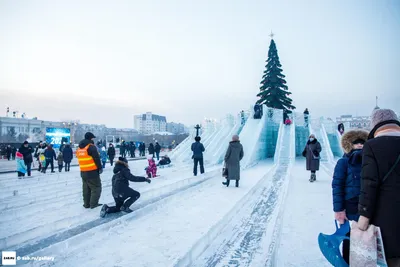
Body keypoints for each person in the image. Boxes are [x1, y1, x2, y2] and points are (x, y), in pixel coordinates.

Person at [356, 109, 400, 266]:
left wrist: (364, 217)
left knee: (389, 259)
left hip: (385, 216)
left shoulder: (372, 146)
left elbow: (369, 183)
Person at [332, 129, 368, 264]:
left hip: (366, 205)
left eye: (362, 142)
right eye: (356, 142)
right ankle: (347, 262)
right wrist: (338, 210)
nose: (359, 145)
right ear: (349, 144)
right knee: (348, 237)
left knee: (365, 237)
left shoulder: (370, 162)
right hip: (349, 205)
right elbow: (337, 186)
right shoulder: (343, 162)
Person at [76, 132, 103, 209]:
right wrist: (100, 168)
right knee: (96, 187)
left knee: (86, 188)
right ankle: (93, 204)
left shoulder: (79, 148)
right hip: (92, 171)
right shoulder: (91, 147)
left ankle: (86, 204)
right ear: (90, 138)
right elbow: (96, 159)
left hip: (83, 171)